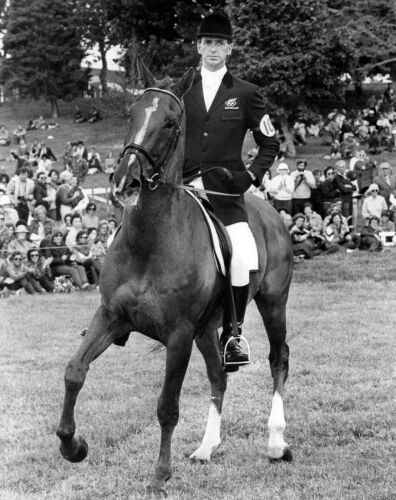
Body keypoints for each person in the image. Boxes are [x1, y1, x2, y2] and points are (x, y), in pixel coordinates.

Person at [183, 12, 279, 369]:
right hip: (180, 187)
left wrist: (249, 178)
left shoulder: (246, 93)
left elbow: (270, 143)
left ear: (230, 49)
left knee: (241, 254)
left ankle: (233, 334)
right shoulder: (182, 88)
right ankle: (117, 308)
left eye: (220, 43)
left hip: (224, 193)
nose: (214, 49)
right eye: (208, 42)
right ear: (198, 46)